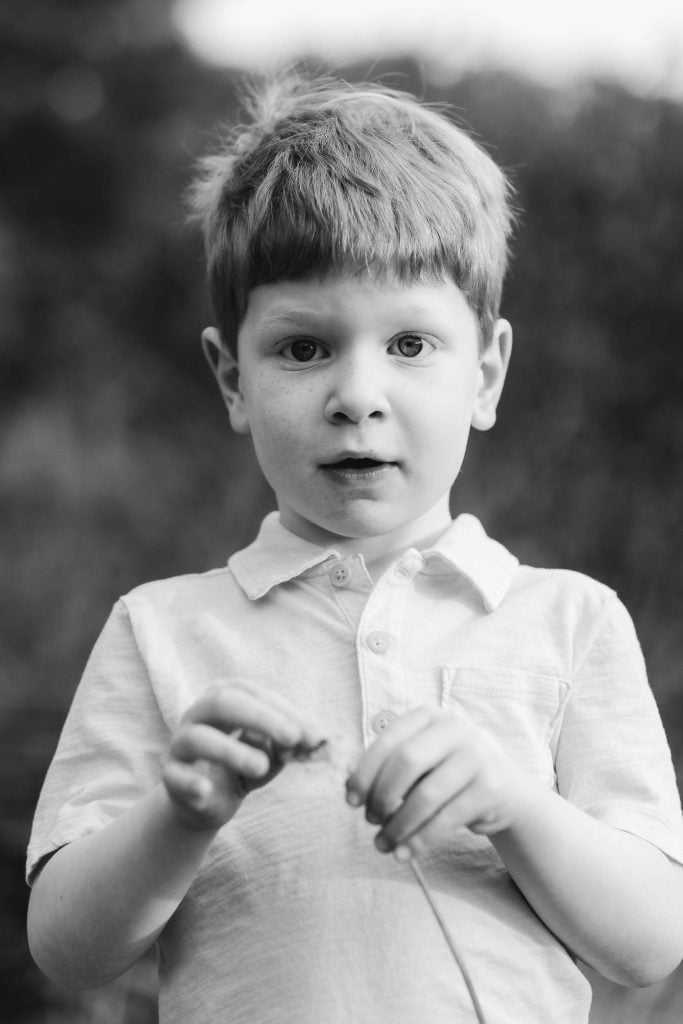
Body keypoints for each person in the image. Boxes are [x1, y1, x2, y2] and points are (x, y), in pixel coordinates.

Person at [26, 71, 683, 1024]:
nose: (357, 394)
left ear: (487, 373)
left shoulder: (568, 622)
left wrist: (512, 805)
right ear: (231, 377)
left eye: (411, 345)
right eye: (303, 349)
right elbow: (67, 951)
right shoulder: (161, 629)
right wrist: (178, 818)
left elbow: (653, 940)